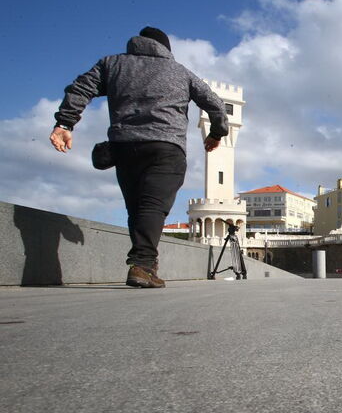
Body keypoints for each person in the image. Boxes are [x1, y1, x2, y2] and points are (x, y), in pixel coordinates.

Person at [49, 26, 228, 288]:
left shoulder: (112, 64)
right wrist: (216, 133)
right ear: (166, 48)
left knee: (136, 207)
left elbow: (80, 88)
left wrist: (65, 124)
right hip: (166, 147)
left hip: (125, 146)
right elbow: (215, 104)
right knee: (152, 206)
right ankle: (143, 265)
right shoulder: (181, 72)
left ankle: (145, 264)